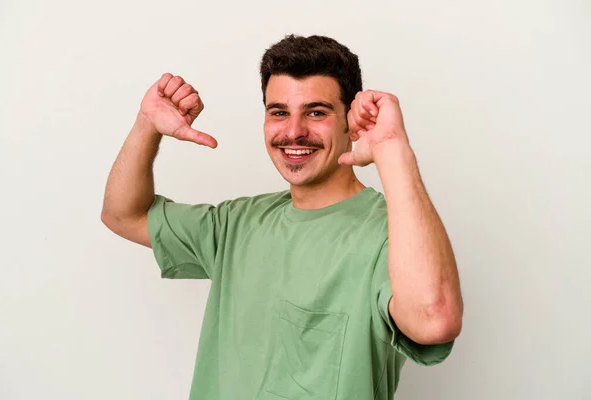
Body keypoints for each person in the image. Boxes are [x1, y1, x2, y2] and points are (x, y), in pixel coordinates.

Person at [101, 34, 463, 400]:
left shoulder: (391, 235)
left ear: (350, 122)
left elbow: (434, 321)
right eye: (278, 112)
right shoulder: (236, 224)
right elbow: (122, 214)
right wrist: (146, 123)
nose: (293, 132)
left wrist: (391, 151)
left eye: (316, 112)